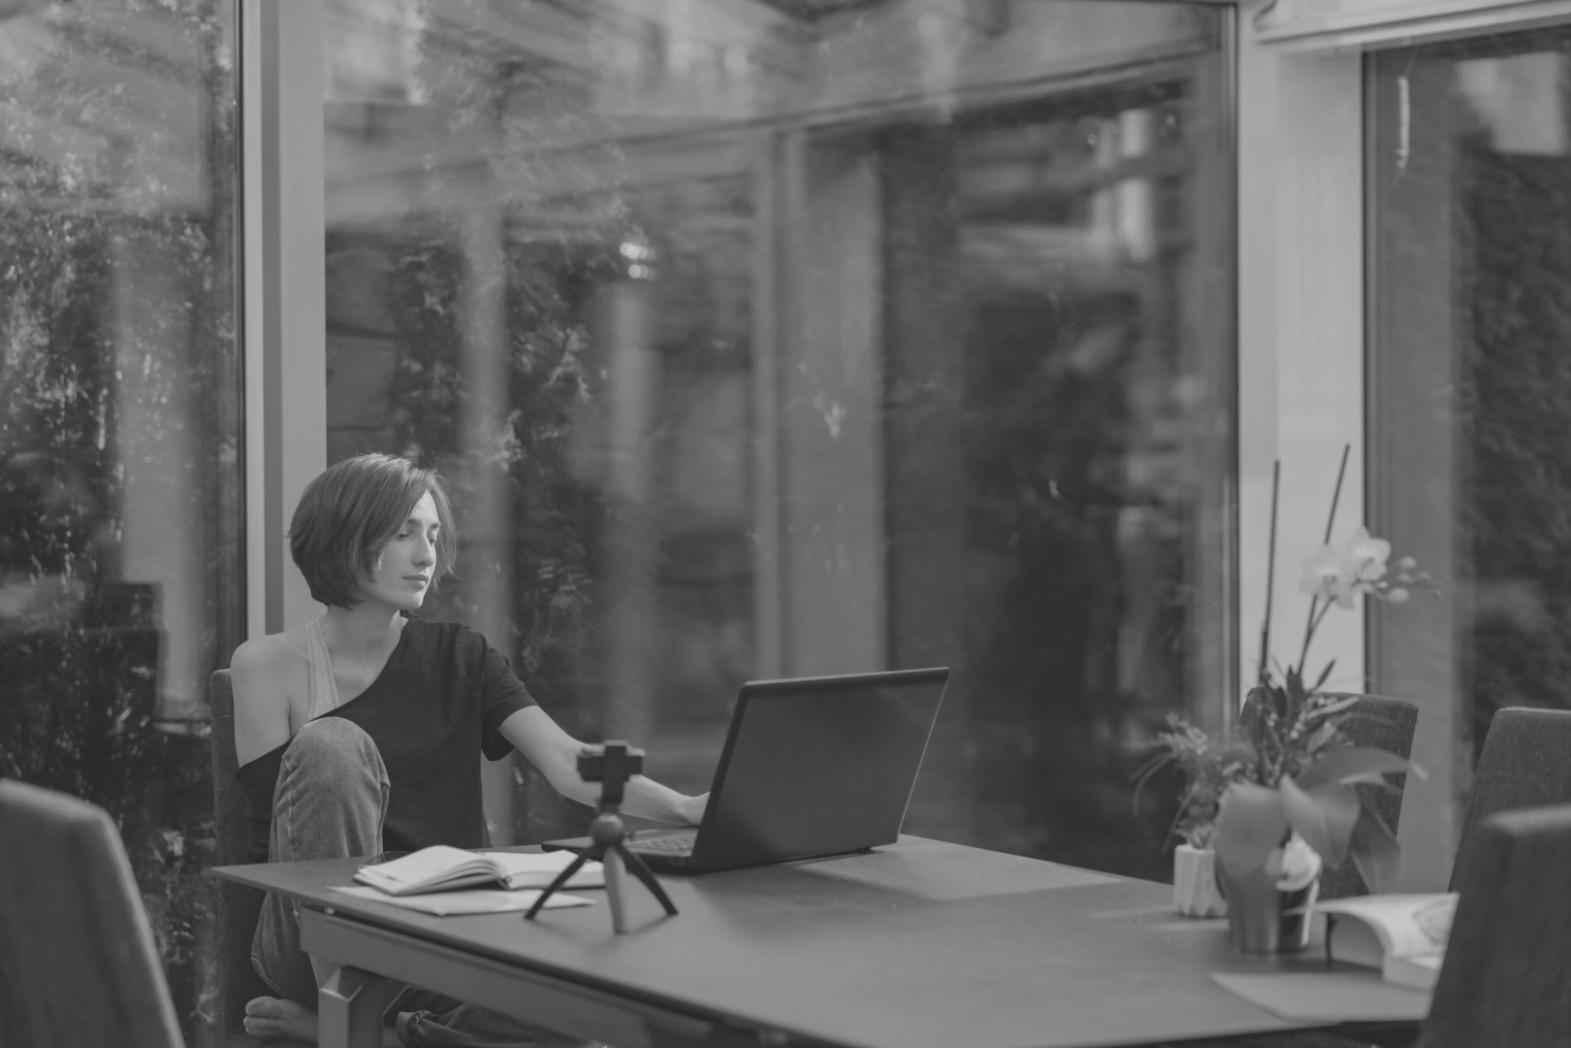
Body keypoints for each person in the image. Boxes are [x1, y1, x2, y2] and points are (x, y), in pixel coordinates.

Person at [230, 453, 707, 1046]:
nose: (426, 554)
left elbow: (567, 763)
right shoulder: (266, 665)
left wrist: (687, 809)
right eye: (403, 534)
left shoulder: (462, 656)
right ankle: (345, 1013)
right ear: (341, 537)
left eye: (432, 534)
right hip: (313, 933)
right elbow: (276, 835)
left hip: (438, 932)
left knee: (608, 1009)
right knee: (333, 743)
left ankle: (391, 1035)